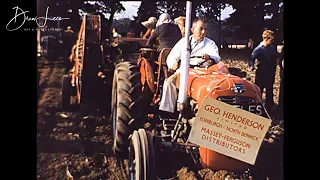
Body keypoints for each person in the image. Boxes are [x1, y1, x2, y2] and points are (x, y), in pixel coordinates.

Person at [158, 19, 221, 114]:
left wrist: (210, 57)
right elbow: (171, 57)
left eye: (205, 29)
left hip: (203, 72)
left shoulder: (210, 44)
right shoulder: (184, 42)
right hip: (185, 70)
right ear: (192, 29)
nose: (203, 32)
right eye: (200, 29)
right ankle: (167, 111)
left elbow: (217, 57)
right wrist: (173, 64)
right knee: (169, 82)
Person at [248, 29, 278, 115]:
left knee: (269, 91)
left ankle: (269, 109)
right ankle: (258, 108)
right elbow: (252, 59)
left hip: (271, 73)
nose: (273, 41)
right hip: (261, 74)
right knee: (259, 91)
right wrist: (251, 66)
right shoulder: (258, 49)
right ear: (266, 38)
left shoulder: (272, 48)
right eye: (271, 39)